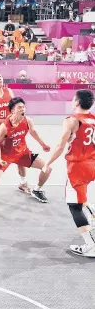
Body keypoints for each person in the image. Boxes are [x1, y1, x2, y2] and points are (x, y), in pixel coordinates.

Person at [43, 90, 95, 257]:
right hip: (91, 165)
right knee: (81, 198)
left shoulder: (72, 120)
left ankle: (90, 245)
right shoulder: (93, 120)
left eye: (74, 99)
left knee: (74, 206)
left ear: (77, 102)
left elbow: (60, 146)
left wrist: (47, 163)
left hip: (77, 167)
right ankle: (92, 215)